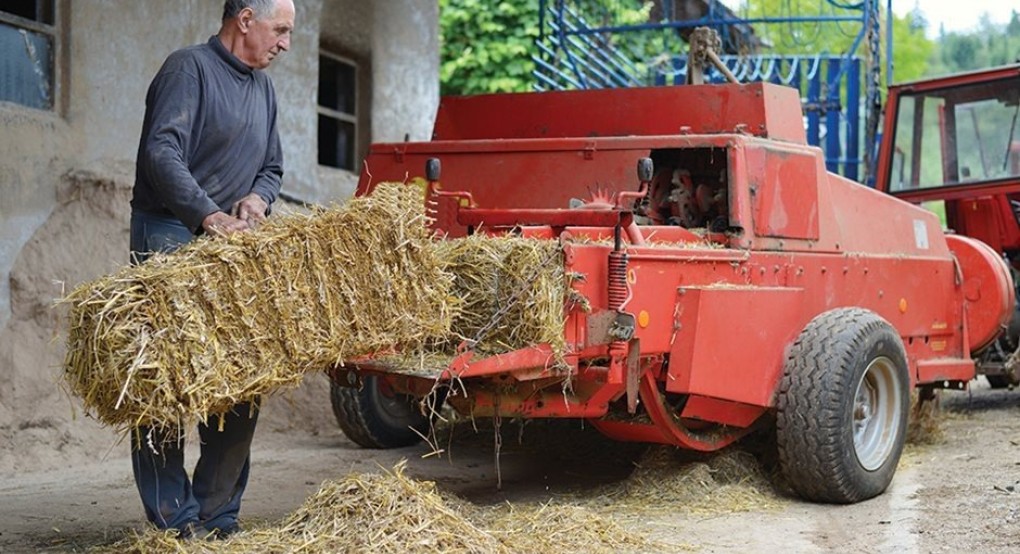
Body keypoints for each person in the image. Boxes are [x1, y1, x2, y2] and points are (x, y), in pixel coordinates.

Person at [128, 0, 294, 539]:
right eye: (280, 29)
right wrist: (208, 215)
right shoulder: (188, 69)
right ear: (245, 19)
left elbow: (272, 167)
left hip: (232, 243)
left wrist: (256, 200)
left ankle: (217, 515)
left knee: (241, 376)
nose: (285, 43)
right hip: (170, 232)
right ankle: (175, 520)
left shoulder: (263, 89)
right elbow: (162, 153)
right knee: (166, 379)